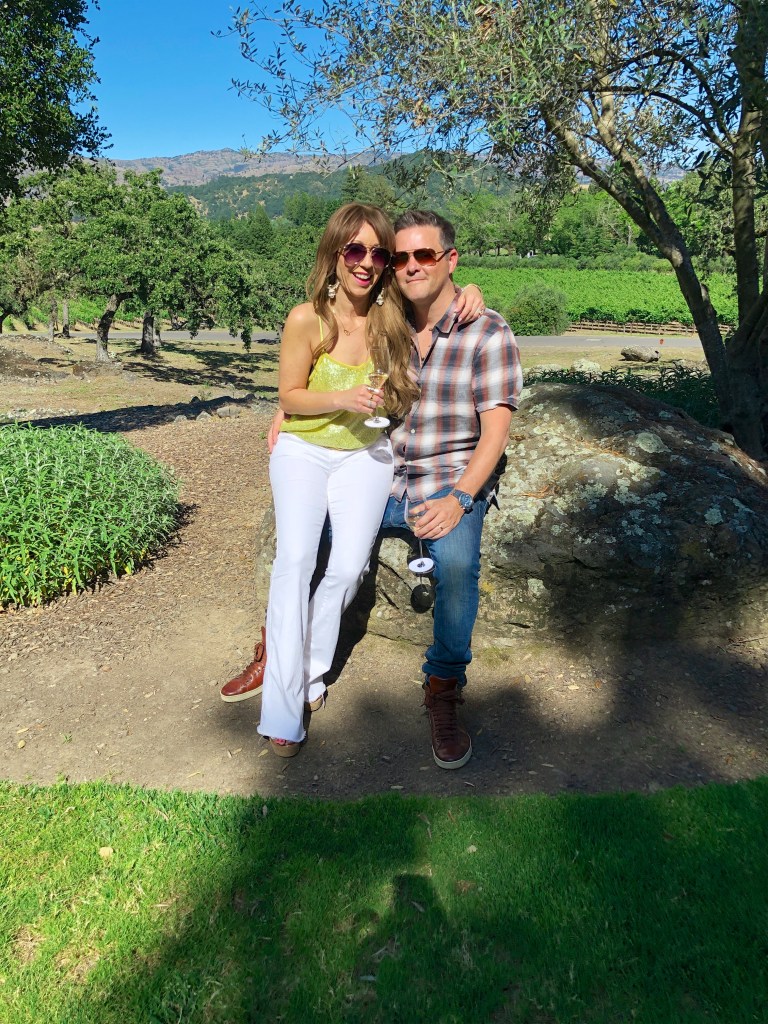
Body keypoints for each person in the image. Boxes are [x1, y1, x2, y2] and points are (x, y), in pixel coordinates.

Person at [220, 203, 486, 757]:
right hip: (304, 452)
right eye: (355, 250)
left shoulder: (392, 319)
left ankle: (309, 671)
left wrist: (470, 291)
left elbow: (440, 295)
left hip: (365, 455)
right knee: (295, 561)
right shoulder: (306, 318)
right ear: (335, 254)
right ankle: (283, 709)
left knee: (346, 569)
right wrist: (332, 399)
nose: (367, 262)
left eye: (379, 254)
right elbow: (289, 394)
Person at [381, 210, 522, 769]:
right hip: (383, 480)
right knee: (312, 538)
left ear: (450, 260)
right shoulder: (385, 325)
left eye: (425, 255)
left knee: (458, 566)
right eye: (400, 257)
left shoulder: (488, 332)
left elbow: (496, 432)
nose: (412, 266)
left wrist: (461, 497)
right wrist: (285, 405)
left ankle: (443, 684)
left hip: (447, 482)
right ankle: (287, 659)